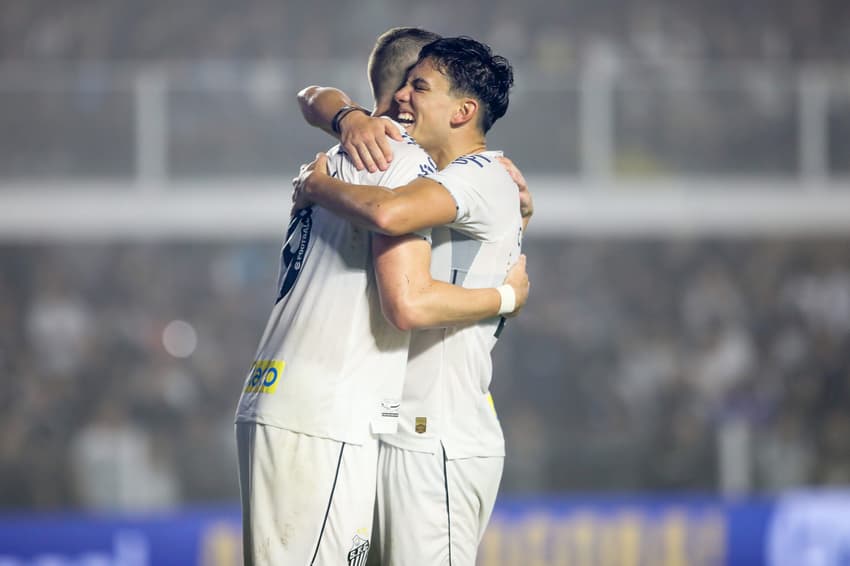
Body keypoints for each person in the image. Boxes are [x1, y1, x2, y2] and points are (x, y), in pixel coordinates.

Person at [233, 28, 529, 566]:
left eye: (425, 87)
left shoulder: (346, 159)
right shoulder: (400, 166)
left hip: (393, 422)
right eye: (413, 84)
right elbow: (409, 300)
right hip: (335, 412)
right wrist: (505, 296)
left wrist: (334, 134)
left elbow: (314, 97)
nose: (410, 98)